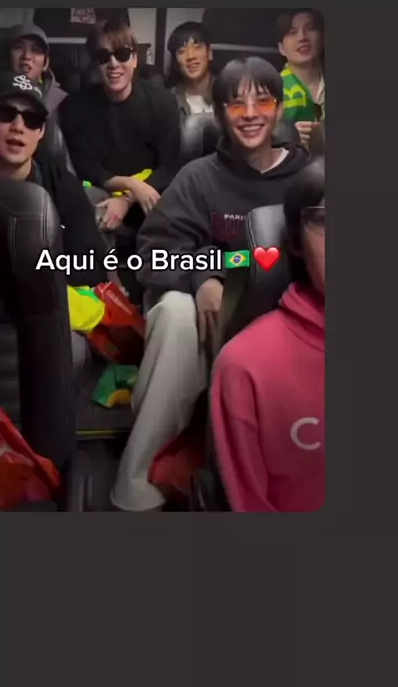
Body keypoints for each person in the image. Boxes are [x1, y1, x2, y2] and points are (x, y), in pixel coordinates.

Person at [111, 57, 309, 512]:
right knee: (175, 312)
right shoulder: (198, 177)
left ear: (280, 109)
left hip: (287, 324)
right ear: (219, 114)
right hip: (210, 325)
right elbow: (154, 252)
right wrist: (204, 277)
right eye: (236, 104)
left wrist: (223, 265)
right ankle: (137, 487)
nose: (250, 114)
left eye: (263, 101)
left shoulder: (308, 180)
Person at [211, 157, 325, 512]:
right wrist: (206, 277)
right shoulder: (248, 366)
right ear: (295, 240)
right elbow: (165, 248)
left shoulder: (297, 166)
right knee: (174, 314)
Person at [0, 71, 107, 367]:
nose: (18, 127)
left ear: (42, 131)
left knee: (72, 351)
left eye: (31, 120)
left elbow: (92, 263)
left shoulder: (61, 184)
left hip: (42, 313)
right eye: (6, 114)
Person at [60, 19, 182, 241]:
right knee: (90, 209)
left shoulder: (163, 102)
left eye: (122, 54)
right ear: (95, 63)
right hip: (102, 190)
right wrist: (129, 184)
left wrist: (127, 198)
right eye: (103, 56)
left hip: (151, 189)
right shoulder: (74, 107)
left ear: (135, 59)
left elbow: (169, 166)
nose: (113, 64)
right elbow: (85, 166)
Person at [6, 23, 74, 171]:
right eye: (18, 47)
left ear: (45, 63)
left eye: (35, 50)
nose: (26, 56)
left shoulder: (63, 102)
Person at [277, 9, 325, 149]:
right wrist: (287, 135)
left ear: (323, 39)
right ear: (281, 48)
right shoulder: (272, 91)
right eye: (292, 32)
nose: (302, 37)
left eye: (310, 29)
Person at [167, 21, 215, 125]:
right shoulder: (168, 101)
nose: (190, 56)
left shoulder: (227, 91)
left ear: (209, 53)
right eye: (182, 51)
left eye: (197, 47)